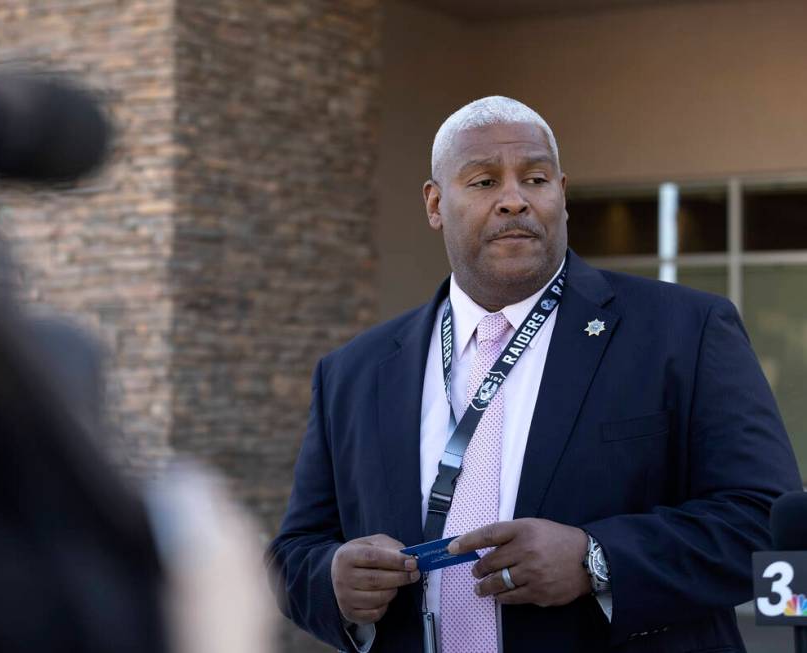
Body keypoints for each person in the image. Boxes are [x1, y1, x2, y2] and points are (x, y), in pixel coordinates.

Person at [265, 96, 802, 653]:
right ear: (434, 203)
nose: (513, 201)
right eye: (483, 182)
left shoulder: (685, 332)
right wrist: (331, 579)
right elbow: (294, 551)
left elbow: (768, 524)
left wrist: (598, 559)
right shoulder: (354, 372)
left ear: (562, 195)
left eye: (536, 178)